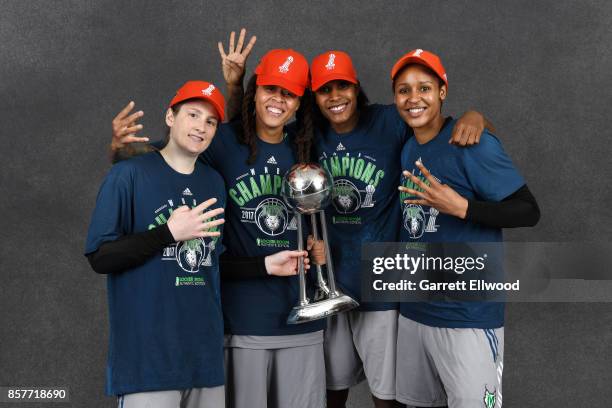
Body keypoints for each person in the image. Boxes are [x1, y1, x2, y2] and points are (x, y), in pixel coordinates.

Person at [219, 34, 491, 408]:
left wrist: (475, 116)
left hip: (381, 281)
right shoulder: (305, 135)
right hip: (325, 284)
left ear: (356, 87)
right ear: (311, 98)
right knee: (329, 392)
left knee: (387, 396)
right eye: (324, 89)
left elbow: (434, 123)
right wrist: (235, 86)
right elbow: (246, 134)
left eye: (342, 85)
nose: (335, 96)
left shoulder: (386, 122)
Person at [109, 33, 327, 407]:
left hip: (300, 316)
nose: (278, 99)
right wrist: (120, 151)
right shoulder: (220, 141)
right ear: (255, 90)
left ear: (299, 103)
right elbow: (167, 160)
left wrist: (318, 247)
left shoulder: (306, 144)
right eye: (270, 88)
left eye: (288, 93)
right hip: (237, 321)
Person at [392, 49, 540, 408]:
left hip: (466, 314)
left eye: (424, 88)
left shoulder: (472, 144)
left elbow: (528, 210)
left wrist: (462, 208)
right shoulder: (409, 147)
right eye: (403, 90)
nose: (414, 98)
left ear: (443, 91)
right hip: (415, 311)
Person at [85, 81, 228, 407]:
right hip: (147, 362)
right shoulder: (128, 174)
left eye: (210, 122)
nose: (200, 127)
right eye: (193, 115)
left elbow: (212, 265)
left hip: (205, 361)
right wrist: (167, 233)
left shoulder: (213, 182)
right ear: (169, 117)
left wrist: (265, 265)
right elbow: (100, 257)